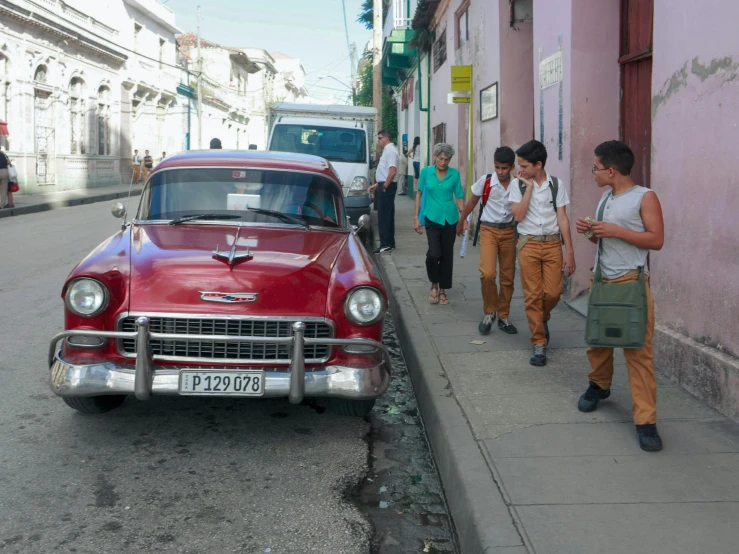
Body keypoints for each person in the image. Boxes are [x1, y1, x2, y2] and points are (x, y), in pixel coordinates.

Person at [576, 140, 665, 451]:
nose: (593, 173)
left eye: (596, 168)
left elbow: (656, 240)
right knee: (598, 342)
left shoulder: (645, 197)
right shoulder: (605, 198)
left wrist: (614, 231)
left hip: (632, 284)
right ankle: (598, 387)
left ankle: (646, 422)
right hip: (603, 281)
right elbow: (605, 242)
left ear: (611, 170)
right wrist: (590, 231)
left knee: (638, 354)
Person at [509, 139, 576, 366]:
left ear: (538, 165)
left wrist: (570, 251)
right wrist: (527, 188)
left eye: (525, 165)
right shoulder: (517, 185)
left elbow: (562, 218)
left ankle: (542, 317)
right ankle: (538, 343)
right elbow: (518, 216)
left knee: (554, 292)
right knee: (532, 295)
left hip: (552, 244)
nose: (520, 169)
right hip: (527, 244)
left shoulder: (556, 185)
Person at [457, 146, 518, 334]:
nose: (500, 172)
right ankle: (489, 311)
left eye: (504, 168)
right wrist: (461, 221)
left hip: (509, 232)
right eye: (497, 167)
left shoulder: (518, 184)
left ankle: (504, 316)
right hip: (488, 231)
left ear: (512, 167)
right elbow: (472, 201)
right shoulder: (487, 181)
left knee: (507, 277)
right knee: (488, 274)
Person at [414, 143, 465, 306]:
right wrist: (416, 218)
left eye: (447, 159)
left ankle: (441, 289)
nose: (443, 162)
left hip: (450, 219)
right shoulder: (426, 173)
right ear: (435, 157)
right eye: (440, 158)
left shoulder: (454, 174)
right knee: (434, 254)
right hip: (431, 217)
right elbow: (419, 194)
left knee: (446, 255)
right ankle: (434, 282)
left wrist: (464, 219)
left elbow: (459, 196)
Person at [368, 129, 398, 253]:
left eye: (380, 138)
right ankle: (389, 242)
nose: (378, 140)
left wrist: (384, 185)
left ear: (386, 138)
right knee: (388, 214)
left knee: (384, 216)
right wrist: (377, 184)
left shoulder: (390, 151)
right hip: (384, 184)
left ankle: (385, 244)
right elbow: (385, 171)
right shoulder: (388, 150)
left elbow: (392, 171)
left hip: (387, 186)